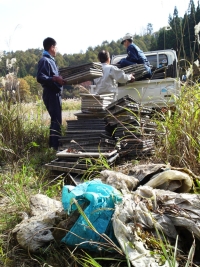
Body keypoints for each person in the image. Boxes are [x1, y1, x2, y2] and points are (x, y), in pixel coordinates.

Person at [37, 37, 66, 151]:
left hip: (55, 93)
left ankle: (53, 145)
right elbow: (40, 77)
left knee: (56, 120)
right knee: (56, 120)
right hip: (51, 93)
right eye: (56, 47)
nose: (57, 49)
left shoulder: (51, 60)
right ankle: (55, 147)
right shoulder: (45, 60)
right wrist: (54, 79)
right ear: (52, 47)